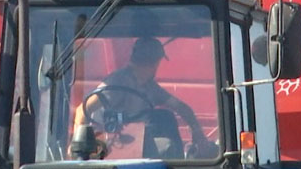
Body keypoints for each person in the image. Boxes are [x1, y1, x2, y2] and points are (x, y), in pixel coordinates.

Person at [73, 37, 211, 158]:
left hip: (135, 143)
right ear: (155, 63)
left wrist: (198, 135)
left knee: (165, 117)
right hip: (108, 144)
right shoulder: (117, 82)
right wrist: (78, 147)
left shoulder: (150, 87)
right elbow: (82, 110)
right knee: (167, 147)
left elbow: (182, 108)